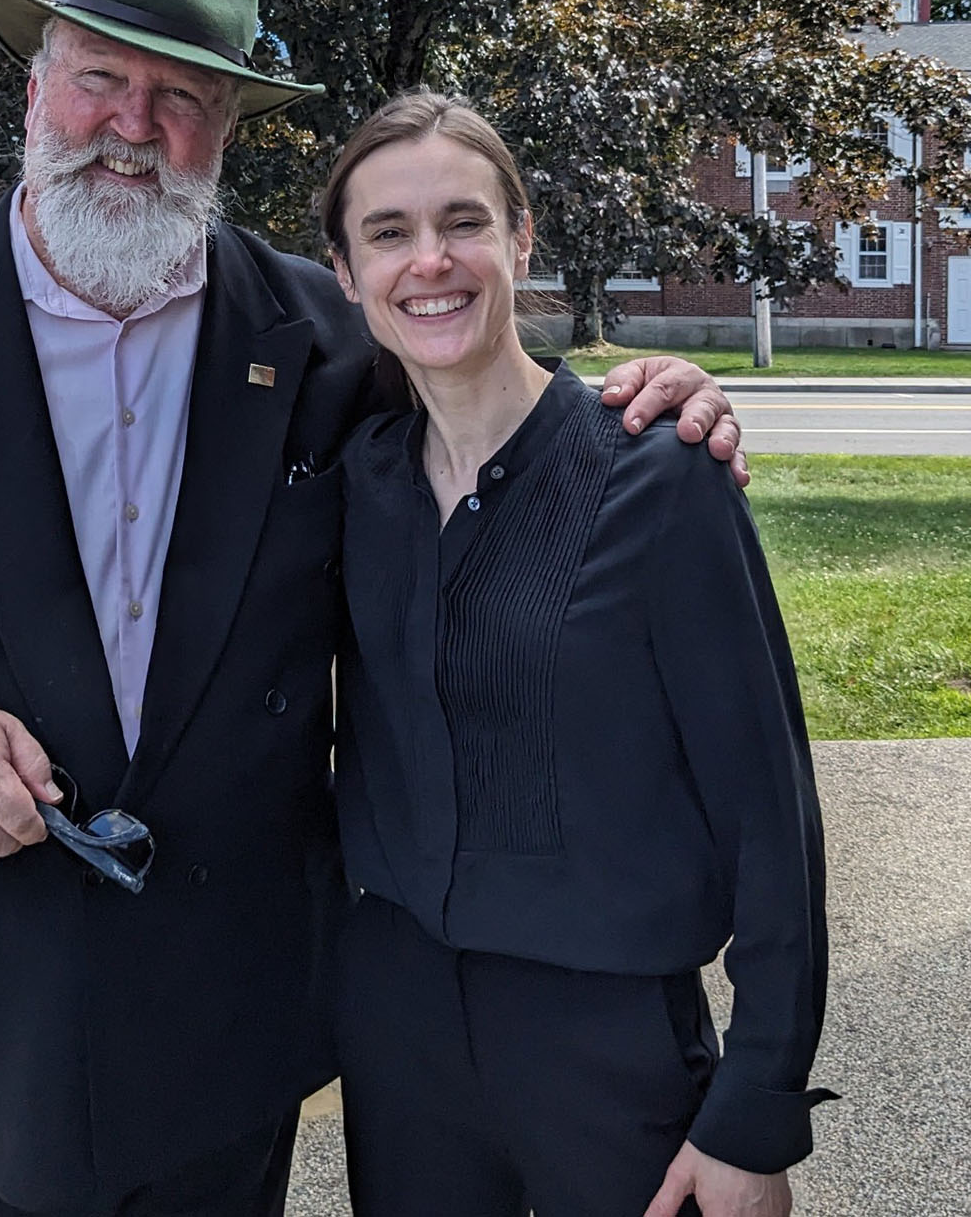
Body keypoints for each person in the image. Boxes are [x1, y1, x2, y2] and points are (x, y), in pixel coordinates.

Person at [0, 0, 742, 1217]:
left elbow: (490, 416)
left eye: (180, 97)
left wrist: (642, 414)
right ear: (36, 89)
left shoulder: (328, 340)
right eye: (100, 79)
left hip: (212, 1035)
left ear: (227, 127)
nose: (132, 126)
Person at [323, 90, 831, 1217]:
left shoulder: (660, 477)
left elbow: (768, 811)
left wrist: (755, 1110)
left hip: (611, 1047)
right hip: (400, 1032)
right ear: (347, 273)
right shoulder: (354, 482)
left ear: (520, 239)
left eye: (463, 221)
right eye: (389, 233)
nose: (430, 261)